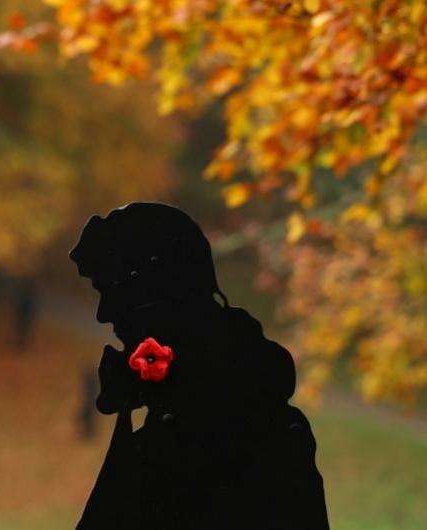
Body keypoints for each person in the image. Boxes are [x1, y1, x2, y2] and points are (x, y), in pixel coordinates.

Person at [69, 202, 329, 530]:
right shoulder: (194, 406)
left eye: (111, 293)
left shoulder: (232, 429)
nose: (103, 314)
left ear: (157, 293)